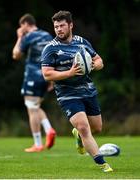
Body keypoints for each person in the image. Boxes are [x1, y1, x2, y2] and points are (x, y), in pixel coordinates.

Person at [41, 10, 113, 172]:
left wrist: (95, 65)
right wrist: (69, 73)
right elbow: (46, 74)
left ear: (71, 25)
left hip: (88, 90)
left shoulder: (82, 42)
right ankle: (103, 164)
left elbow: (98, 60)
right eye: (56, 26)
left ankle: (79, 137)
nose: (59, 29)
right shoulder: (50, 49)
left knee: (97, 128)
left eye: (62, 26)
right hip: (67, 94)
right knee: (83, 127)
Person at [12, 13, 56, 153]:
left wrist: (19, 37)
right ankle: (49, 129)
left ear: (25, 24)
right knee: (36, 106)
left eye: (21, 26)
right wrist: (52, 79)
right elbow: (53, 57)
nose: (21, 28)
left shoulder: (29, 36)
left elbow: (16, 55)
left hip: (32, 77)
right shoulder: (48, 36)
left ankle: (37, 144)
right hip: (46, 76)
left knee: (31, 109)